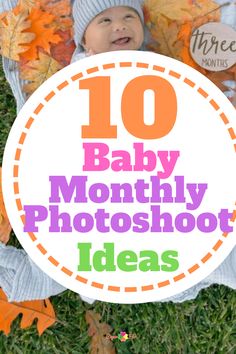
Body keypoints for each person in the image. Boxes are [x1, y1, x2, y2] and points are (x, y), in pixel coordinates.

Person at [0, 0, 235, 304]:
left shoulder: (156, 64)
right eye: (105, 21)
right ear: (84, 39)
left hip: (155, 170)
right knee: (60, 256)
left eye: (128, 17)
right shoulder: (77, 73)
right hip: (96, 174)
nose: (120, 25)